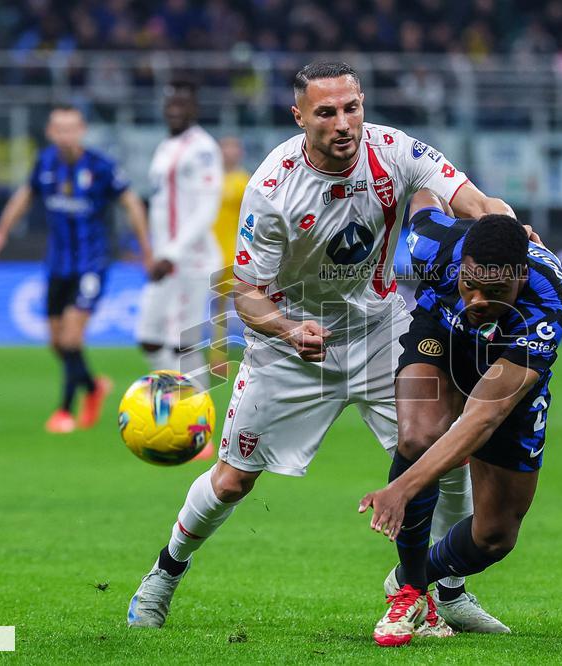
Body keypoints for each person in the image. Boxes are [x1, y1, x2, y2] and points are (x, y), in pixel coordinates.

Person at [126, 62, 515, 634]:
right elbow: (247, 295)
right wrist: (287, 329)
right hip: (292, 345)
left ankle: (448, 591)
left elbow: (474, 202)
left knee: (444, 452)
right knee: (233, 479)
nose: (343, 123)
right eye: (326, 112)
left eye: (351, 108)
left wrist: (507, 231)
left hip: (382, 332)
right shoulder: (272, 186)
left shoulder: (393, 149)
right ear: (300, 116)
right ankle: (164, 574)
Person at [358, 190, 562, 646]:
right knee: (417, 437)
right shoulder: (435, 243)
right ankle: (414, 594)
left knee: (495, 535)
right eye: (468, 284)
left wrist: (401, 488)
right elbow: (423, 191)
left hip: (505, 365)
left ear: (520, 275)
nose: (476, 299)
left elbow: (482, 418)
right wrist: (479, 204)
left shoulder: (548, 302)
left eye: (493, 292)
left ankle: (409, 576)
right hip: (441, 340)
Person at [0, 105, 151, 434]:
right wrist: (0, 232)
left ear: (82, 130)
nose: (65, 135)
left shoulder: (100, 167)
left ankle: (64, 412)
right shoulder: (45, 163)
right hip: (57, 264)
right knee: (57, 344)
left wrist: (145, 250)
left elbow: (130, 202)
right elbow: (25, 195)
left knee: (72, 338)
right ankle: (93, 386)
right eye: (59, 128)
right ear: (50, 132)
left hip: (92, 264)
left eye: (71, 128)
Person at [137, 81, 223, 402]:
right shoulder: (165, 147)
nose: (175, 110)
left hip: (192, 260)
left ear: (195, 109)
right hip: (165, 260)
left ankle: (197, 418)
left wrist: (173, 252)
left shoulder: (202, 148)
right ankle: (175, 400)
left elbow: (206, 208)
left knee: (182, 342)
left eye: (182, 104)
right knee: (148, 337)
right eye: (170, 104)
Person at [209, 135, 250, 379]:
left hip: (235, 254)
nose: (229, 154)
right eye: (226, 149)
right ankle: (217, 356)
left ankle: (254, 353)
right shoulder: (209, 180)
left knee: (247, 305)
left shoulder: (245, 181)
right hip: (210, 254)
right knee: (217, 308)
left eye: (233, 149)